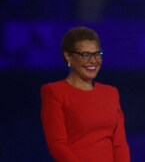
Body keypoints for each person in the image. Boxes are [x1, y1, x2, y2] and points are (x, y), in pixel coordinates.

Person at [40, 26, 131, 162]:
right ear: (68, 56)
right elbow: (57, 145)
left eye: (97, 54)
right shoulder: (54, 92)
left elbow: (120, 145)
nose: (93, 61)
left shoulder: (111, 93)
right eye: (86, 55)